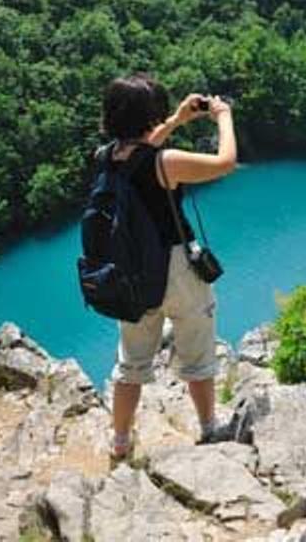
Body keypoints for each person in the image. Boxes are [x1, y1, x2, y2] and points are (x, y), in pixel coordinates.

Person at [98, 73, 236, 459]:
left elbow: (143, 147)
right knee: (197, 347)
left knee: (132, 361)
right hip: (175, 268)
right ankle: (209, 429)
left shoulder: (108, 157)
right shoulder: (166, 162)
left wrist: (176, 120)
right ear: (150, 115)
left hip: (129, 272)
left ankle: (121, 442)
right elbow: (225, 162)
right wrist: (223, 116)